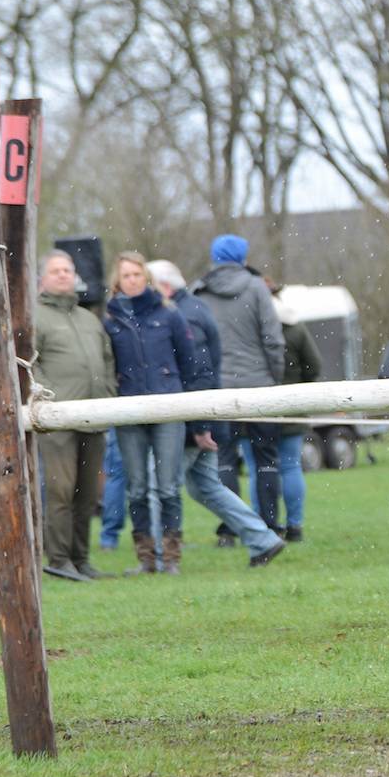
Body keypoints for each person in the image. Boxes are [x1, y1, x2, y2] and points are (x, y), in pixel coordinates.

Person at [148, 259, 286, 569]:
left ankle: (158, 557)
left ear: (164, 286)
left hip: (193, 422)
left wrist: (199, 425)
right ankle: (262, 538)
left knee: (160, 486)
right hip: (204, 418)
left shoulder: (182, 315)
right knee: (205, 487)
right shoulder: (194, 308)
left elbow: (198, 373)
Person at [104, 252, 207, 575]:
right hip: (128, 410)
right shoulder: (110, 321)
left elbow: (189, 365)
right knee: (136, 488)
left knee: (168, 487)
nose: (132, 280)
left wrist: (197, 418)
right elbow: (106, 366)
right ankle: (146, 558)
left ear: (146, 278)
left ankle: (171, 556)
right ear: (118, 281)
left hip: (168, 406)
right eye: (126, 275)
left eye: (137, 274)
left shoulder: (169, 314)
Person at [191, 234, 285, 536]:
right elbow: (273, 339)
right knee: (266, 460)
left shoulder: (200, 291)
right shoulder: (257, 287)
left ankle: (232, 528)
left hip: (218, 388)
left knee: (224, 459)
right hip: (259, 385)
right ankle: (269, 525)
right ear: (243, 257)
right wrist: (274, 378)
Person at [34, 251, 117, 579]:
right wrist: (48, 398)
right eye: (55, 270)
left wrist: (108, 393)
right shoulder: (34, 317)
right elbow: (28, 363)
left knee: (88, 494)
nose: (63, 275)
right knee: (61, 492)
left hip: (93, 416)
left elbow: (107, 360)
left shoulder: (89, 318)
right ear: (42, 278)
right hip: (57, 420)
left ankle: (81, 560)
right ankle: (58, 560)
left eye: (67, 270)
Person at [250, 286, 320, 542]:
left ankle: (263, 525)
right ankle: (295, 526)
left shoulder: (248, 328)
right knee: (290, 466)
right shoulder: (296, 328)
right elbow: (314, 366)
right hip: (291, 407)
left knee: (258, 468)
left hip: (256, 407)